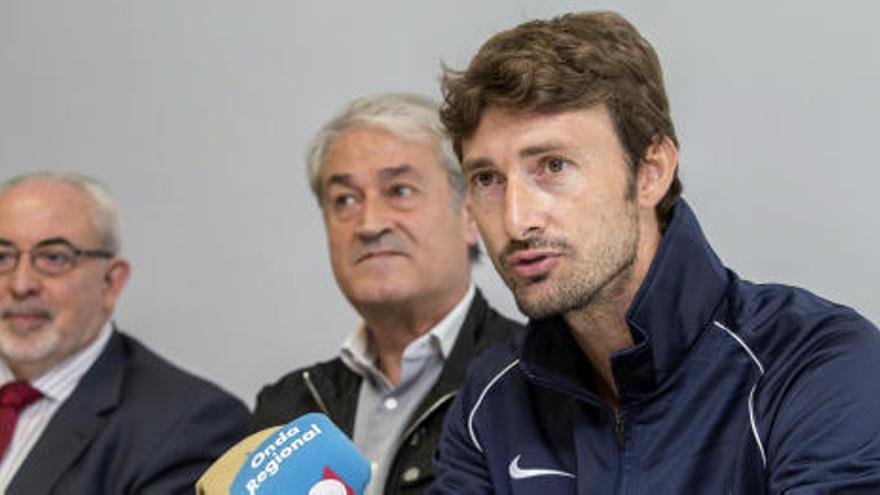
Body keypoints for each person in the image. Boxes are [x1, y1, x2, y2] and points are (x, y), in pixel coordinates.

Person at [429, 11, 880, 494]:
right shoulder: (491, 401)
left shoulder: (817, 365)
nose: (516, 220)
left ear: (651, 172)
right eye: (487, 179)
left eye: (552, 166)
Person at [251, 93, 521, 494]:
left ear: (469, 213)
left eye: (399, 191)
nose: (369, 223)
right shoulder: (287, 408)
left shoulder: (530, 380)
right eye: (344, 199)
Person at [0, 172, 250, 494]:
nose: (21, 285)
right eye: (3, 257)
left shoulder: (190, 425)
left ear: (111, 282)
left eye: (53, 258)